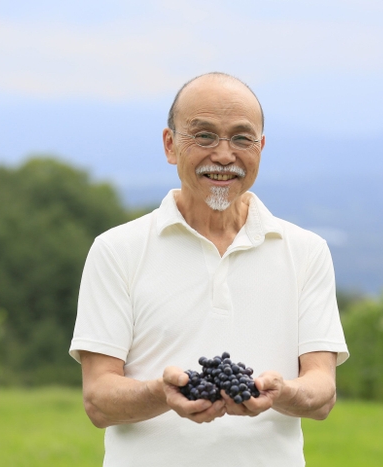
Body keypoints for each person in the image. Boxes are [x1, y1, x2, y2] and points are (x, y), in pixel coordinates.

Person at [69, 72, 349, 466]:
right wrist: (161, 393)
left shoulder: (307, 251)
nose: (223, 155)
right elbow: (98, 400)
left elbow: (322, 393)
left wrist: (280, 392)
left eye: (241, 138)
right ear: (170, 145)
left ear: (261, 147)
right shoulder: (116, 250)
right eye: (203, 136)